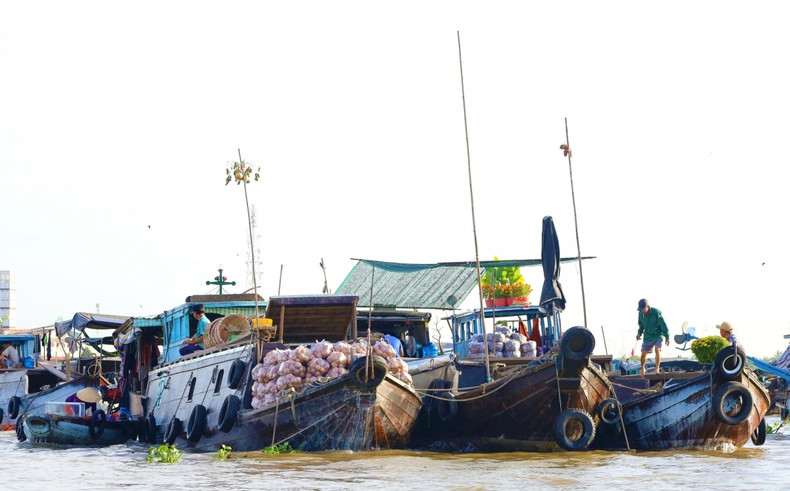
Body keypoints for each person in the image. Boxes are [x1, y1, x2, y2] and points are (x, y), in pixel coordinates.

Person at [635, 298, 670, 377]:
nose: (643, 311)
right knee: (643, 354)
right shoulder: (640, 314)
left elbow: (664, 325)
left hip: (658, 334)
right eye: (641, 310)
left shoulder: (656, 312)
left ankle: (657, 369)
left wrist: (667, 337)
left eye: (643, 309)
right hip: (648, 336)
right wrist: (639, 333)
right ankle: (643, 368)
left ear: (648, 306)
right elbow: (641, 326)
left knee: (657, 349)